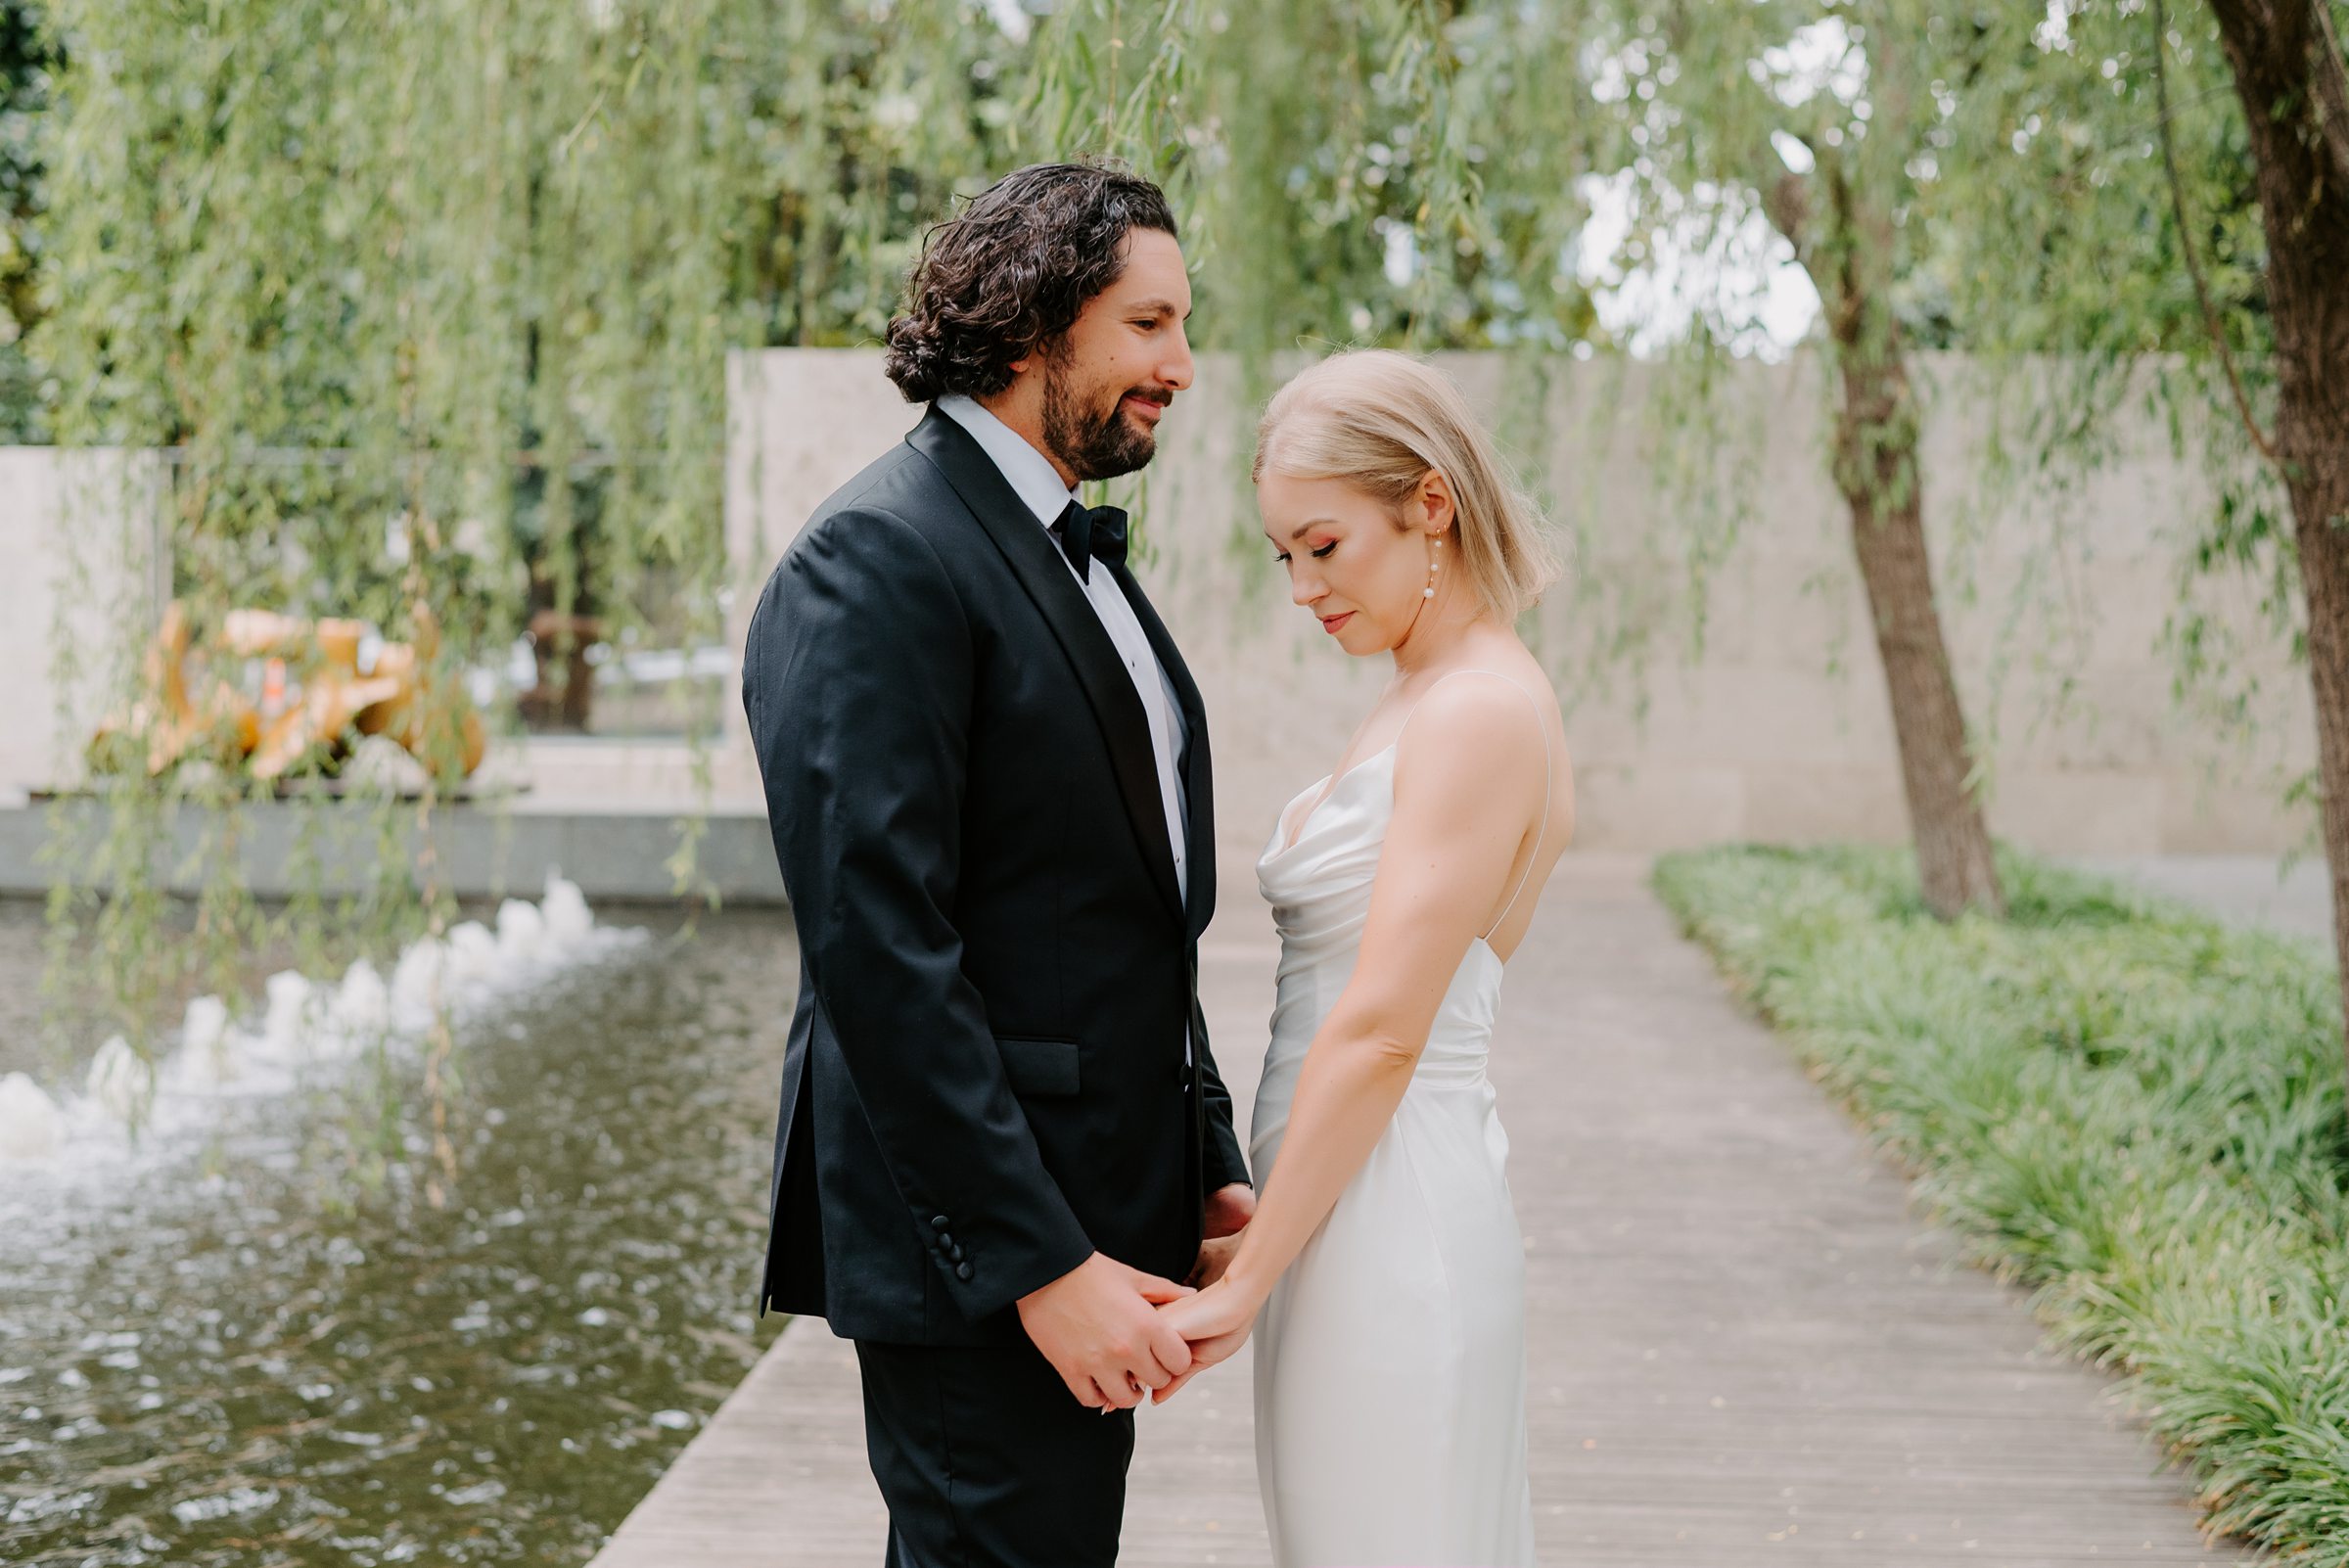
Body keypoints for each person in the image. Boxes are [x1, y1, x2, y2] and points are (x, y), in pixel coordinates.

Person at [739, 161, 1256, 1567]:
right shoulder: (876, 558)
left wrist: (1204, 1151)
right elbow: (879, 954)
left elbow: (1119, 902)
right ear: (1035, 326)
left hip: (1103, 1210)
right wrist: (1040, 1266)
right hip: (986, 1252)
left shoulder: (1067, 549)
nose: (1183, 367)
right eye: (1149, 325)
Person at [1156, 348, 1572, 1567]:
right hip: (1339, 1214)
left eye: (1324, 546)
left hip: (1398, 1221)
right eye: (1283, 554)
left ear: (1429, 504)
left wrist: (1242, 1286)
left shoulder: (1478, 709)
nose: (1301, 586)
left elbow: (1387, 1026)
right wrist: (1265, 1231)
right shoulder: (1417, 692)